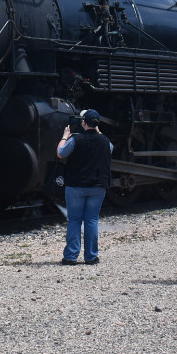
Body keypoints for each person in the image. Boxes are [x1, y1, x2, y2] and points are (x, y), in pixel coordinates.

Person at [57, 109, 113, 265]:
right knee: (92, 220)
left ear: (83, 123)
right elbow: (110, 149)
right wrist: (99, 132)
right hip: (97, 186)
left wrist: (64, 137)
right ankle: (91, 256)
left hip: (76, 186)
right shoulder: (105, 142)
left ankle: (71, 256)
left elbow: (61, 153)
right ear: (97, 125)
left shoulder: (76, 140)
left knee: (74, 220)